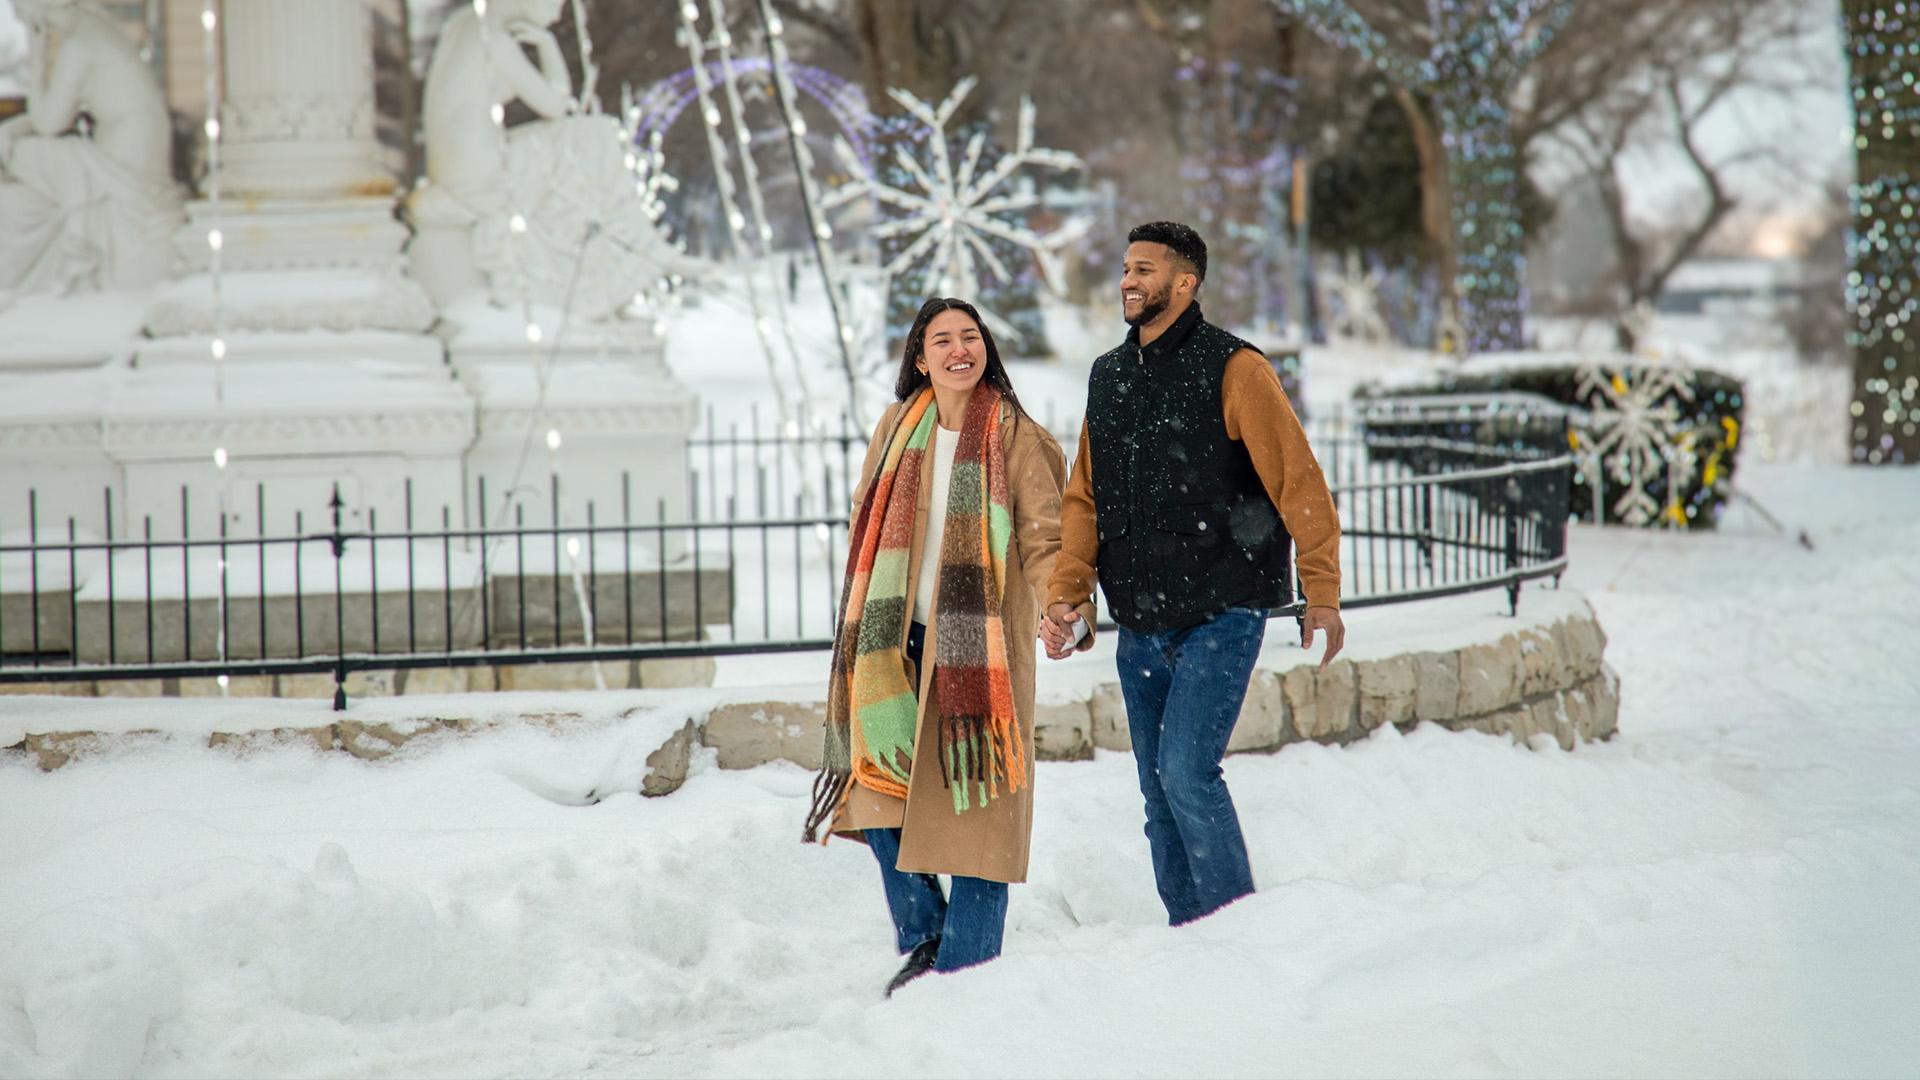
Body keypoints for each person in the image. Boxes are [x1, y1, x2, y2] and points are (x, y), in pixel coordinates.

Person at [1040, 221, 1344, 926]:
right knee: (1156, 790)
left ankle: (1239, 930)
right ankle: (1189, 940)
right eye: (1125, 269)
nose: (1128, 281)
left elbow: (1299, 483)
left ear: (1186, 282)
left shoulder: (1237, 370)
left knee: (1186, 772)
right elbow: (1085, 495)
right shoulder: (1108, 378)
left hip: (1222, 613)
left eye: (1145, 269)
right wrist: (1068, 595)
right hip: (1140, 626)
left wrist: (1320, 593)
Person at [805, 296, 1094, 996]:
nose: (959, 349)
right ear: (919, 356)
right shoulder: (898, 428)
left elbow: (1046, 541)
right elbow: (864, 518)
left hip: (977, 653)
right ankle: (928, 937)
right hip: (890, 648)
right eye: (943, 339)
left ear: (986, 349)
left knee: (977, 815)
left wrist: (1063, 607)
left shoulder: (1020, 439)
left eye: (971, 337)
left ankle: (966, 970)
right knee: (874, 794)